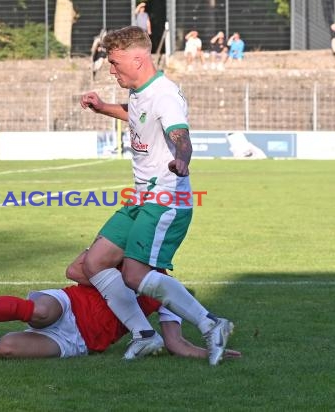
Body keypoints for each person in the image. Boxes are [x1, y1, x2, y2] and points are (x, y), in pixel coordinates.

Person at [79, 26, 234, 366]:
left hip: (165, 200)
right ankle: (145, 335)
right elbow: (137, 116)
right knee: (93, 263)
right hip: (140, 198)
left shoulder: (165, 95)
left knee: (134, 274)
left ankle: (212, 325)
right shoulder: (138, 92)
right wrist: (105, 107)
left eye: (115, 63)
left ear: (138, 58)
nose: (111, 69)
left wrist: (182, 159)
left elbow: (180, 135)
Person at [0, 251, 241, 361]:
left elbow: (176, 342)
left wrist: (208, 352)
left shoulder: (165, 289)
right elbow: (74, 270)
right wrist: (111, 275)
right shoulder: (116, 252)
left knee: (6, 350)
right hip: (66, 304)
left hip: (79, 341)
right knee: (40, 311)